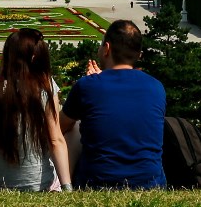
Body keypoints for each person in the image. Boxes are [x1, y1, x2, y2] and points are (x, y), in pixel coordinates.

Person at [0, 28, 73, 192]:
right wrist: (67, 188)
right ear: (35, 58)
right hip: (39, 184)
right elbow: (55, 140)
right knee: (74, 129)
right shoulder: (44, 85)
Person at [60, 20, 166, 190]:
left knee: (74, 127)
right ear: (139, 55)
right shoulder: (156, 87)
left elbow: (59, 127)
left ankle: (62, 187)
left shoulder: (87, 85)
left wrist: (93, 82)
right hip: (150, 184)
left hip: (97, 183)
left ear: (107, 48)